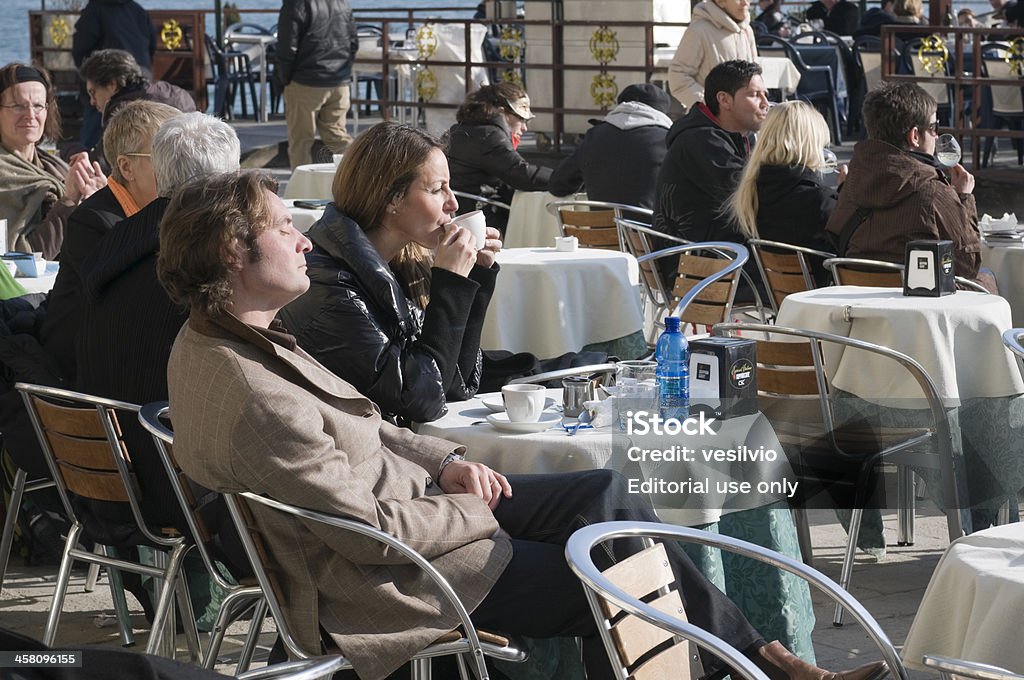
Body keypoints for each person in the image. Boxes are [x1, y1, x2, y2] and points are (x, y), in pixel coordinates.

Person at [158, 169, 888, 680]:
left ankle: (762, 661)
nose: (307, 240)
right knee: (625, 582)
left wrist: (443, 460)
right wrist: (466, 506)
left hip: (412, 519)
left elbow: (370, 422)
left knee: (604, 493)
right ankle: (760, 665)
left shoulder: (225, 336)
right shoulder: (252, 390)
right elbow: (363, 530)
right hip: (395, 578)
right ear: (234, 252)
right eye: (287, 229)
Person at [74, 112, 246, 574]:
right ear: (228, 184)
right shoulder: (197, 261)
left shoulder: (116, 242)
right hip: (182, 486)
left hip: (111, 477)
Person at [279, 122, 500, 425]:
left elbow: (457, 383)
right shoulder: (331, 285)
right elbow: (423, 399)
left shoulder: (402, 263)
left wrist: (474, 276)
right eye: (437, 189)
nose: (453, 203)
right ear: (392, 198)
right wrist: (451, 285)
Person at [41, 100, 180, 383]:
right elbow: (145, 303)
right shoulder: (94, 222)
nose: (179, 167)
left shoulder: (158, 213)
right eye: (166, 157)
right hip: (84, 380)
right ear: (127, 168)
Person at [825, 82, 995, 292]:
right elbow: (967, 266)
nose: (936, 135)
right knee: (986, 277)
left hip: (855, 300)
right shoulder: (933, 190)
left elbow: (834, 237)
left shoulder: (852, 180)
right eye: (934, 128)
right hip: (917, 305)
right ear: (915, 136)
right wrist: (964, 199)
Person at [726, 101, 840, 286]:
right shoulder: (819, 200)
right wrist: (847, 193)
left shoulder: (751, 191)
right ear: (811, 144)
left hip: (776, 297)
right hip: (819, 301)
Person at [655, 60, 769, 244]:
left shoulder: (738, 136)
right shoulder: (700, 140)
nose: (765, 103)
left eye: (766, 94)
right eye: (754, 95)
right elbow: (748, 194)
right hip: (697, 262)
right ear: (724, 100)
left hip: (722, 251)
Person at [0, 63, 106, 259]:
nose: (30, 115)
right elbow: (26, 258)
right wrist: (68, 201)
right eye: (17, 106)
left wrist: (99, 196)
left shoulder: (54, 167)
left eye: (38, 106)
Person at [547, 82, 673, 210]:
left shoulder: (593, 136)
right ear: (663, 112)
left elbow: (558, 186)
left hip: (600, 228)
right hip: (648, 228)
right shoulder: (667, 140)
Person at [445, 82, 552, 232]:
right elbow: (522, 174)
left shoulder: (462, 129)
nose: (524, 127)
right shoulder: (489, 136)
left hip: (462, 211)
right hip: (481, 216)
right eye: (521, 119)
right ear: (502, 113)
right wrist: (564, 177)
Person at [78, 49, 196, 170]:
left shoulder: (121, 111)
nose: (92, 101)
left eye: (93, 93)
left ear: (112, 85)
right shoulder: (176, 93)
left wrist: (74, 152)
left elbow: (105, 163)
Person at [276, 0, 358, 169]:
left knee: (301, 141)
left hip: (305, 81)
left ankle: (300, 190)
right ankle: (360, 174)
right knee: (337, 137)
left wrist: (285, 79)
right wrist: (344, 72)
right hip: (339, 82)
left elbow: (286, 46)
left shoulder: (295, 4)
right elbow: (353, 42)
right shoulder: (341, 3)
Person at [71, 0, 157, 149]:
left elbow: (81, 48)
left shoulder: (95, 10)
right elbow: (152, 45)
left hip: (105, 81)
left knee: (92, 141)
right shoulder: (138, 10)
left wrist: (89, 73)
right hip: (141, 80)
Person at [667, 0, 758, 110]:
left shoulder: (747, 31)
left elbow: (754, 76)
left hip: (743, 119)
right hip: (709, 122)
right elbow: (678, 77)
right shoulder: (699, 31)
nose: (745, 3)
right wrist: (710, 105)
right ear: (720, 1)